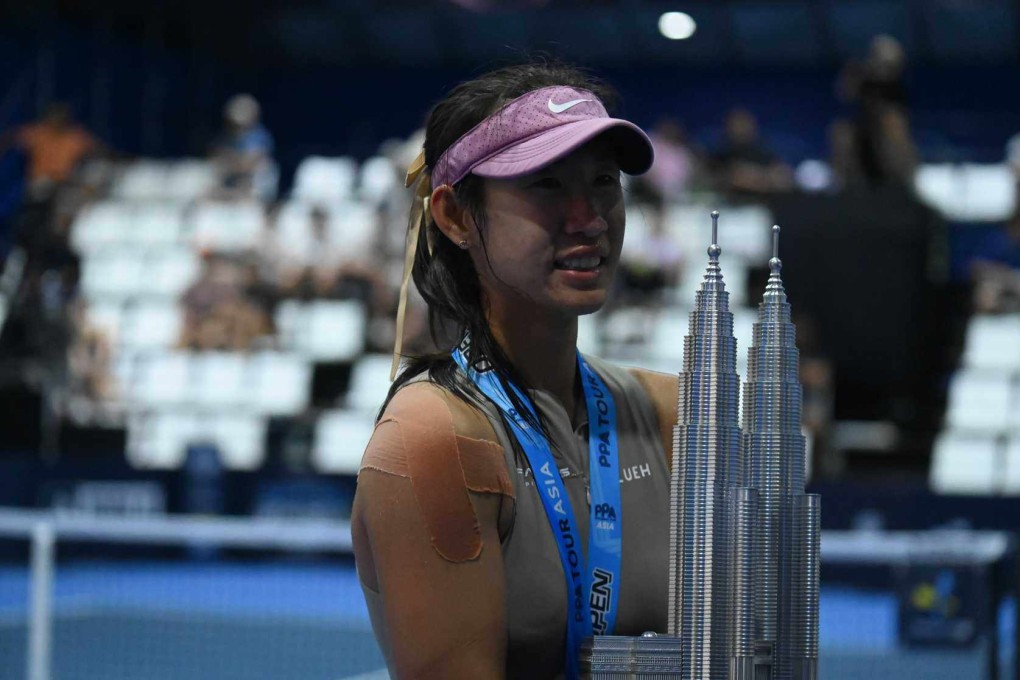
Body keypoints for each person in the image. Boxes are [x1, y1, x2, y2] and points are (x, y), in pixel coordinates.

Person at [351, 63, 680, 680]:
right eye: (547, 185)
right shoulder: (434, 440)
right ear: (454, 217)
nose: (589, 216)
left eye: (604, 181)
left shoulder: (673, 414)